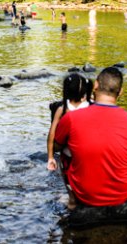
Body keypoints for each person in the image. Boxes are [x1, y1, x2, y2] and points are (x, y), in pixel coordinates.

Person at [54, 67, 127, 208]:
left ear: (95, 85)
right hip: (121, 196)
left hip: (85, 196)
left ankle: (72, 200)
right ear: (120, 92)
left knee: (63, 150)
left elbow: (55, 146)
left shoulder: (71, 118)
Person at [46, 74, 92, 208]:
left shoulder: (62, 109)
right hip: (88, 152)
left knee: (68, 175)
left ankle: (72, 199)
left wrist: (50, 157)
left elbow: (52, 133)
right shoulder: (90, 106)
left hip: (68, 153)